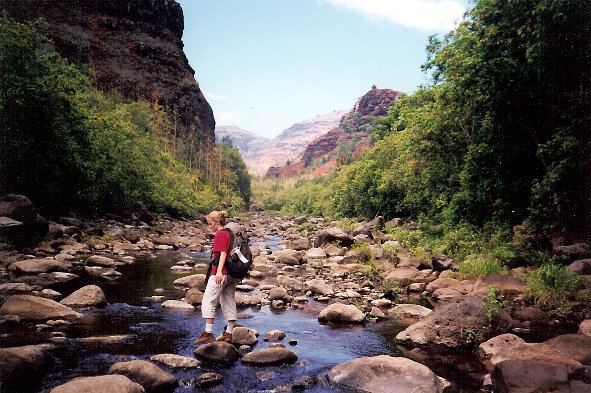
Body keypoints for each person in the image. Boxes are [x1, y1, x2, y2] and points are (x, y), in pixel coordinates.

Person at [193, 210, 240, 345]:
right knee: (228, 301)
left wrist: (218, 272)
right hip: (232, 274)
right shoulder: (230, 233)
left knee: (208, 301)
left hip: (221, 273)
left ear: (218, 222)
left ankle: (208, 333)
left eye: (211, 224)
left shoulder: (220, 234)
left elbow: (223, 254)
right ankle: (229, 333)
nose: (210, 227)